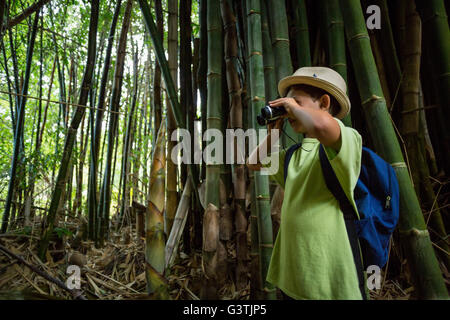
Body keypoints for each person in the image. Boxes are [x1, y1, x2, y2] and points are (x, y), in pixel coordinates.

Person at [247, 67, 364, 300]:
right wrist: (273, 135)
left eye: (297, 102)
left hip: (329, 275)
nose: (290, 110)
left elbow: (322, 128)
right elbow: (253, 162)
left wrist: (294, 109)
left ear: (324, 103)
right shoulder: (293, 155)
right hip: (294, 276)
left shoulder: (346, 140)